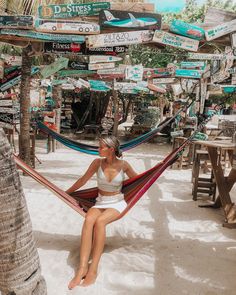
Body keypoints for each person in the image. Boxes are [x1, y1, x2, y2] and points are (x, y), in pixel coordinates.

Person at [67, 136, 137, 289]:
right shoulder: (96, 163)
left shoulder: (124, 165)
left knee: (100, 222)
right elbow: (82, 180)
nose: (98, 150)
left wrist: (154, 172)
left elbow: (138, 182)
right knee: (88, 221)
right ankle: (82, 267)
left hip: (117, 203)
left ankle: (93, 269)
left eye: (101, 147)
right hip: (100, 202)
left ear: (111, 150)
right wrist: (66, 192)